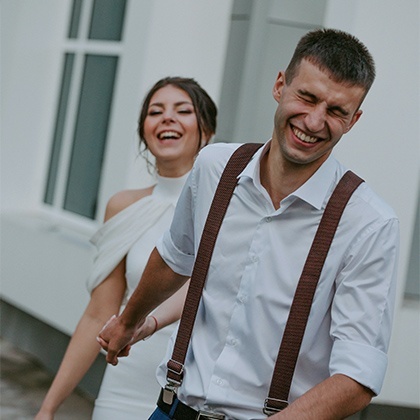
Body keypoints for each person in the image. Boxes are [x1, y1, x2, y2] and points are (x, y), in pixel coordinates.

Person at [98, 29, 400, 420]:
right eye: (307, 97)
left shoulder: (369, 224)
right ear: (280, 85)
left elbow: (357, 378)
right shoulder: (214, 168)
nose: (314, 121)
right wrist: (129, 322)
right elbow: (175, 258)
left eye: (336, 111)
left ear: (353, 120)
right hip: (174, 410)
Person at [35, 77, 217, 419]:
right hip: (122, 388)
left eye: (182, 110)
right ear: (144, 132)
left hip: (192, 393)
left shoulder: (224, 205)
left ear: (206, 130)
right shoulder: (124, 206)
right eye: (155, 112)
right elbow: (98, 314)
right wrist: (48, 408)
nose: (167, 118)